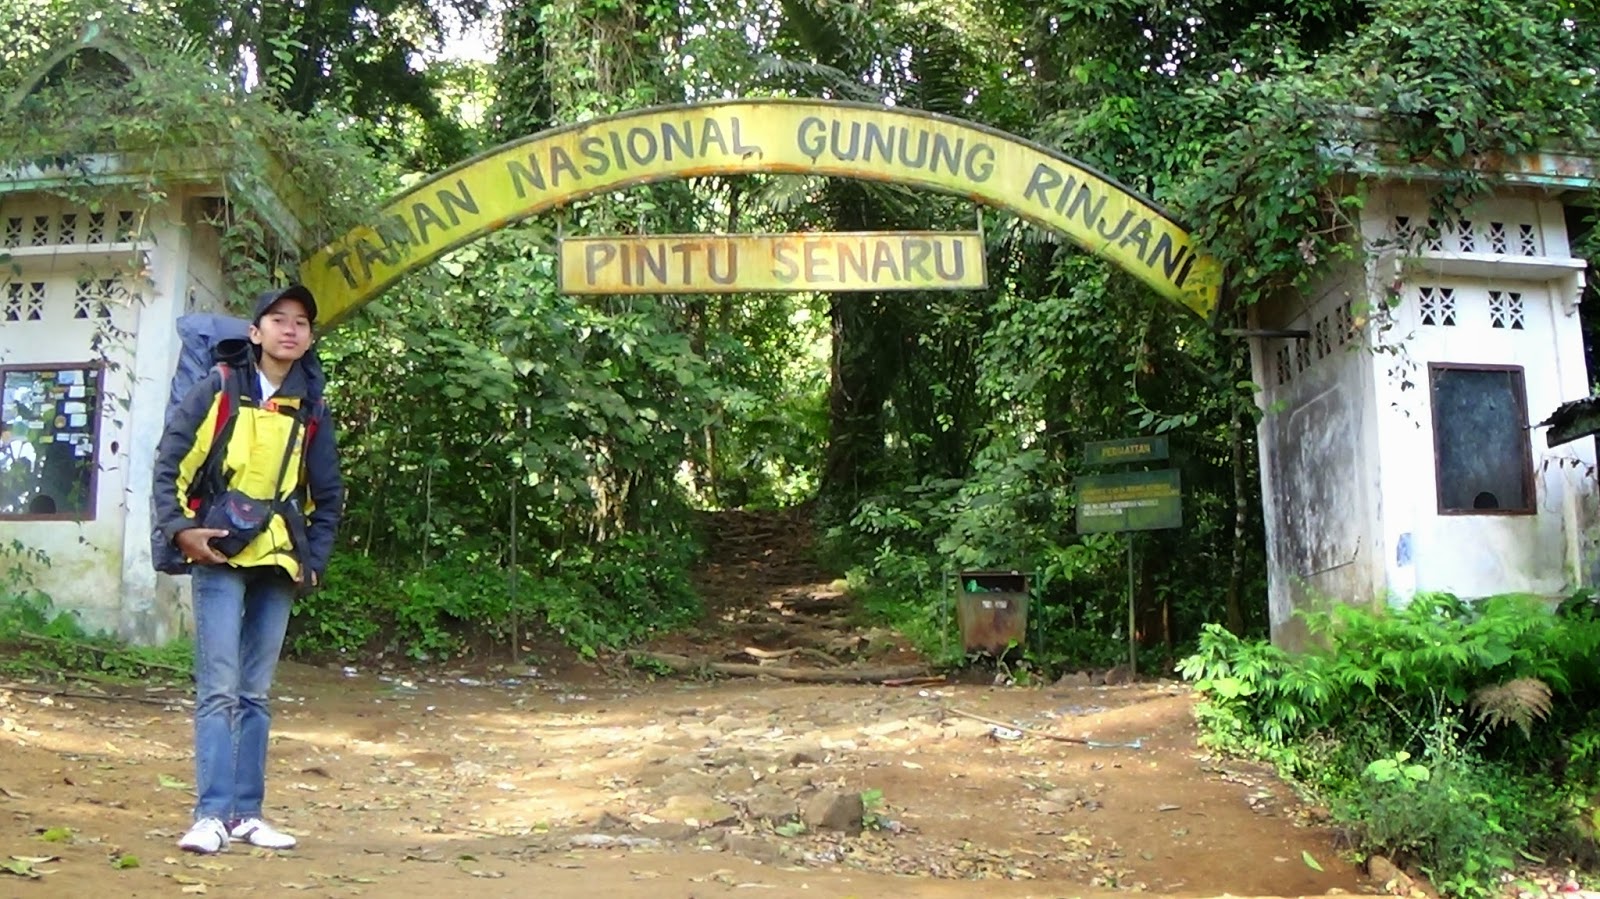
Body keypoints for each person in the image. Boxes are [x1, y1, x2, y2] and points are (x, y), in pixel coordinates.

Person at [151, 285, 343, 854]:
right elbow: (172, 461)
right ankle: (209, 815)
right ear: (254, 333)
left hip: (279, 560)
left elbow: (327, 494)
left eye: (301, 323)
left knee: (255, 693)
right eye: (277, 320)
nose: (290, 330)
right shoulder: (220, 388)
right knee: (219, 689)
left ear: (308, 338)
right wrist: (180, 530)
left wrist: (315, 560)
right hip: (220, 552)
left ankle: (246, 815)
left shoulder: (311, 406)